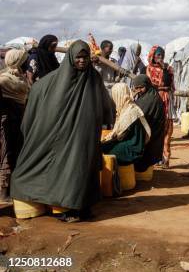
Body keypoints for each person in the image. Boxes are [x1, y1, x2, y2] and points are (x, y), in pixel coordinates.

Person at [10, 41, 114, 222]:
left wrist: (107, 119)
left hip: (85, 133)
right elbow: (39, 94)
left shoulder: (94, 78)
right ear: (71, 57)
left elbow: (105, 102)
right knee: (68, 168)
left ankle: (82, 206)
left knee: (82, 168)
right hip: (64, 135)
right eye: (78, 57)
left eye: (85, 57)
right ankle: (67, 209)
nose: (82, 61)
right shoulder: (54, 81)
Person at [0, 49, 30, 203]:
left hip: (19, 118)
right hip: (8, 119)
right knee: (7, 153)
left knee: (15, 153)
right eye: (25, 61)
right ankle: (3, 192)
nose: (28, 63)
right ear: (18, 62)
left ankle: (10, 188)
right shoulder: (4, 80)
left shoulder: (20, 78)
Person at [101, 83, 151, 165]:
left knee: (103, 149)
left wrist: (106, 141)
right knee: (104, 146)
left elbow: (120, 136)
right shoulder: (128, 107)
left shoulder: (129, 112)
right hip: (132, 143)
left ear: (119, 95)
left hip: (133, 149)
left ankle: (113, 176)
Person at [146, 46, 175, 168]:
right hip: (153, 101)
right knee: (154, 130)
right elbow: (148, 85)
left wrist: (165, 70)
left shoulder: (168, 68)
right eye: (158, 55)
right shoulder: (148, 69)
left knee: (166, 130)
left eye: (162, 55)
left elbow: (169, 85)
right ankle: (154, 158)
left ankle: (165, 159)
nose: (160, 58)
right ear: (152, 56)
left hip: (166, 101)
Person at [131, 75, 166, 173]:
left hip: (151, 139)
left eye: (141, 87)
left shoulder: (150, 99)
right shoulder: (149, 94)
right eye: (136, 88)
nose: (139, 90)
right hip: (151, 135)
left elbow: (136, 115)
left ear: (147, 85)